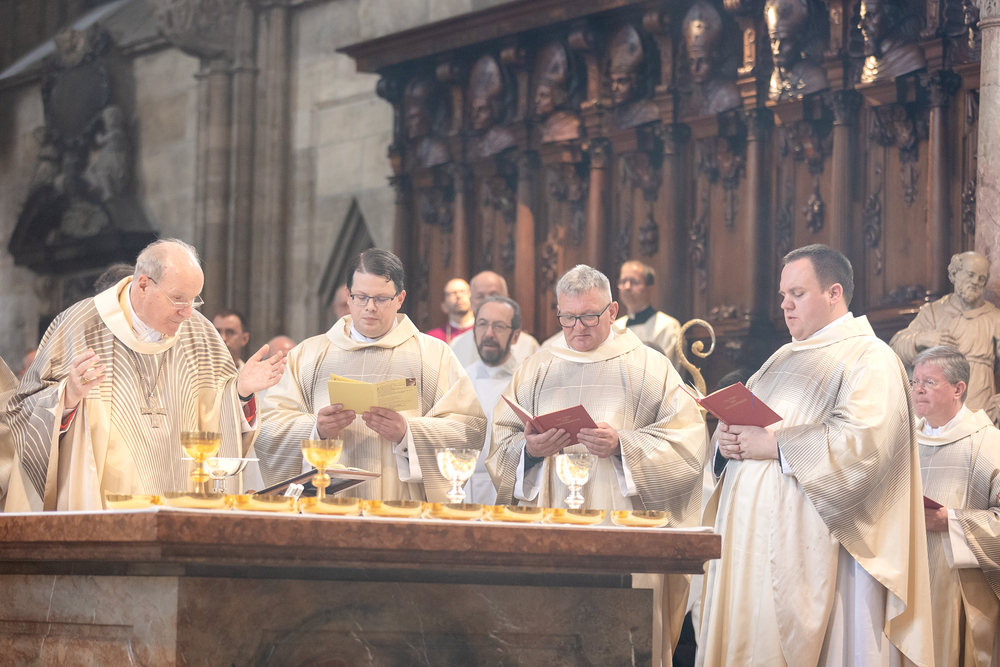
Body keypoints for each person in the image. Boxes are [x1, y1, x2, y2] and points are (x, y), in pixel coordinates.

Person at [700, 244, 933, 666]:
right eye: (783, 296)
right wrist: (726, 443)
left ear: (834, 293)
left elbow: (864, 445)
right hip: (751, 546)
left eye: (797, 294)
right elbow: (748, 428)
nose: (785, 306)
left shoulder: (869, 357)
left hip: (822, 557)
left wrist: (776, 445)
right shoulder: (780, 358)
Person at [488, 264, 707, 666]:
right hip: (550, 526)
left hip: (623, 530)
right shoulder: (537, 366)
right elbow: (501, 440)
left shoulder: (649, 366)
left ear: (612, 311)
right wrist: (530, 451)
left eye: (589, 316)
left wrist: (623, 445)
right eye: (567, 317)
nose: (578, 328)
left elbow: (688, 443)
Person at [1, 239, 287, 511]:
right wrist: (67, 397)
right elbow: (22, 411)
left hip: (181, 500)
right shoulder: (79, 325)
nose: (188, 312)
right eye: (178, 299)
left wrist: (241, 391)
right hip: (101, 504)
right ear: (143, 285)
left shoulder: (201, 334)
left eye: (194, 300)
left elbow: (219, 415)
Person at [257, 249, 486, 500]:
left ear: (400, 298)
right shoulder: (308, 355)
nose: (370, 308)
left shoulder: (433, 355)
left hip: (402, 507)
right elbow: (268, 427)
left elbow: (468, 428)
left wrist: (408, 433)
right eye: (361, 297)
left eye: (381, 299)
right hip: (328, 507)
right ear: (348, 296)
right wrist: (316, 429)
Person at [912, 346, 999, 667]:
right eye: (915, 381)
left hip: (959, 589)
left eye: (929, 382)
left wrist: (951, 521)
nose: (918, 389)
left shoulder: (989, 444)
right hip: (906, 577)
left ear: (958, 389)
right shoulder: (903, 442)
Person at [890, 251, 1000, 417]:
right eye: (970, 275)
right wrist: (923, 339)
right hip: (935, 408)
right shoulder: (933, 313)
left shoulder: (994, 318)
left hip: (978, 407)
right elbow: (895, 349)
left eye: (981, 278)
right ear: (954, 274)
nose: (975, 282)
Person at [464, 296, 522, 505]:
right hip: (464, 490)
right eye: (482, 324)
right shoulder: (459, 379)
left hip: (513, 490)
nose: (489, 334)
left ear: (515, 336)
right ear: (473, 332)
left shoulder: (527, 380)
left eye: (499, 326)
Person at [449, 271, 539, 367]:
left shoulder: (529, 346)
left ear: (507, 299)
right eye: (480, 296)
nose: (487, 302)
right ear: (471, 302)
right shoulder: (456, 346)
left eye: (494, 296)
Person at [614, 260, 682, 369]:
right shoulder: (615, 326)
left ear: (649, 288)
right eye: (623, 281)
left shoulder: (668, 326)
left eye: (634, 282)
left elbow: (669, 371)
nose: (627, 287)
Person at [426, 278, 474, 343]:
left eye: (464, 291)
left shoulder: (484, 331)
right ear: (444, 306)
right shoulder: (433, 338)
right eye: (453, 293)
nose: (459, 296)